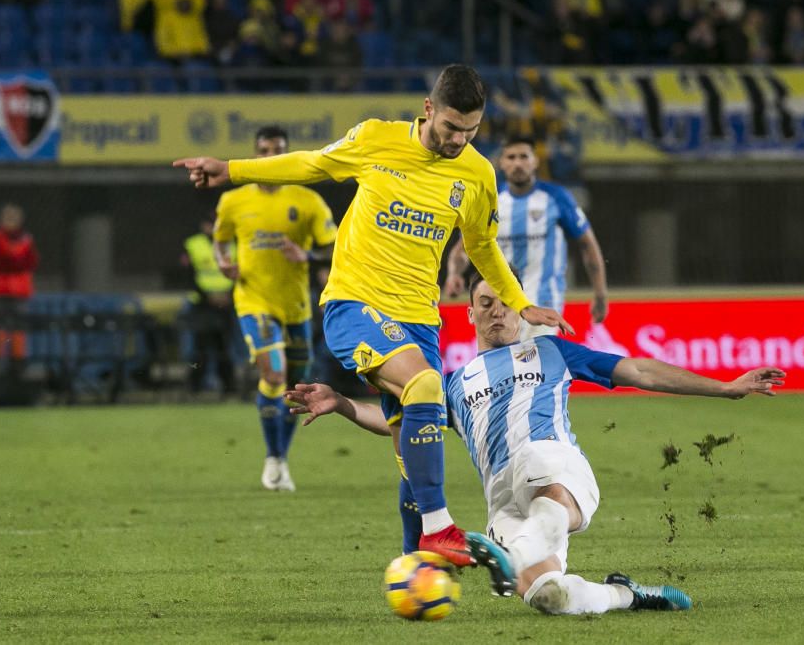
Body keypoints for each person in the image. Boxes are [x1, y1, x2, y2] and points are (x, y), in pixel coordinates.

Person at [173, 64, 571, 577]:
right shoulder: (376, 139)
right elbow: (312, 164)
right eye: (451, 127)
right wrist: (232, 170)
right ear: (428, 110)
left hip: (419, 319)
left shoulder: (476, 173)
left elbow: (481, 245)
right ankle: (439, 528)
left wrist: (520, 301)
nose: (458, 140)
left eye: (470, 131)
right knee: (426, 385)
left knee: (412, 445)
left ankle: (417, 568)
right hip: (355, 303)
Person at [288, 270, 787, 613]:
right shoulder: (450, 383)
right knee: (550, 598)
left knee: (544, 489)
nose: (498, 312)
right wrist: (344, 404)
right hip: (502, 497)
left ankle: (512, 550)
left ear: (522, 310)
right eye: (486, 303)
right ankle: (625, 595)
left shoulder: (552, 351)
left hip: (552, 462)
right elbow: (404, 425)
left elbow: (639, 370)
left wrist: (724, 388)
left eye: (507, 302)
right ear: (469, 314)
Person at [212, 126, 337, 491]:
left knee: (297, 387)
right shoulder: (233, 200)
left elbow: (334, 247)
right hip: (254, 300)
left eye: (277, 149)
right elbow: (220, 241)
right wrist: (223, 262)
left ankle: (280, 459)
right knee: (273, 372)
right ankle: (273, 456)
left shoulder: (307, 200)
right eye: (264, 150)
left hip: (295, 305)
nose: (271, 156)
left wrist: (307, 255)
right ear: (255, 154)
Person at [444, 135, 607, 342]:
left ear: (535, 161)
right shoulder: (490, 199)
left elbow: (587, 244)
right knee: (507, 359)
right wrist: (454, 274)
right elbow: (464, 247)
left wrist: (600, 293)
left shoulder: (557, 197)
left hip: (544, 297)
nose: (518, 163)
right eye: (511, 157)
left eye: (524, 157)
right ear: (501, 163)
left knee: (533, 357)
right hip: (501, 299)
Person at [181, 213, 236, 397]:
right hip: (201, 305)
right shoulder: (193, 244)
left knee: (224, 348)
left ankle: (229, 387)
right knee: (200, 348)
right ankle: (194, 388)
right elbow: (187, 275)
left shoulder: (232, 244)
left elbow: (240, 271)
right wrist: (207, 297)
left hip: (225, 305)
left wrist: (229, 295)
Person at [0, 204, 37, 363]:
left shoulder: (26, 239)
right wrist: (13, 258)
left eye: (14, 218)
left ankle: (18, 365)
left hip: (19, 291)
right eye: (7, 217)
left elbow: (30, 262)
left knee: (19, 328)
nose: (10, 221)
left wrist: (15, 259)